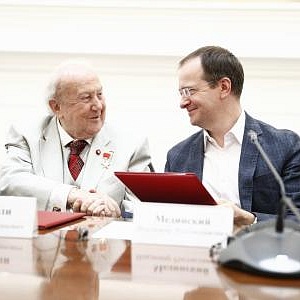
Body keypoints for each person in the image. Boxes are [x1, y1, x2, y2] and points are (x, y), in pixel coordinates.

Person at [165, 45, 300, 226]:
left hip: (258, 252)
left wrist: (249, 220)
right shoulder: (177, 156)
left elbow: (296, 221)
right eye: (181, 93)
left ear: (224, 87)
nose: (183, 102)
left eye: (189, 91)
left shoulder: (285, 147)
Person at [0, 59, 152, 217]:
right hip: (43, 239)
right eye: (86, 98)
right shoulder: (26, 134)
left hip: (102, 239)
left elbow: (145, 208)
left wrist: (117, 213)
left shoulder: (132, 144)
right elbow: (10, 182)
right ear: (56, 107)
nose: (98, 105)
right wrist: (71, 195)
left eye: (99, 94)